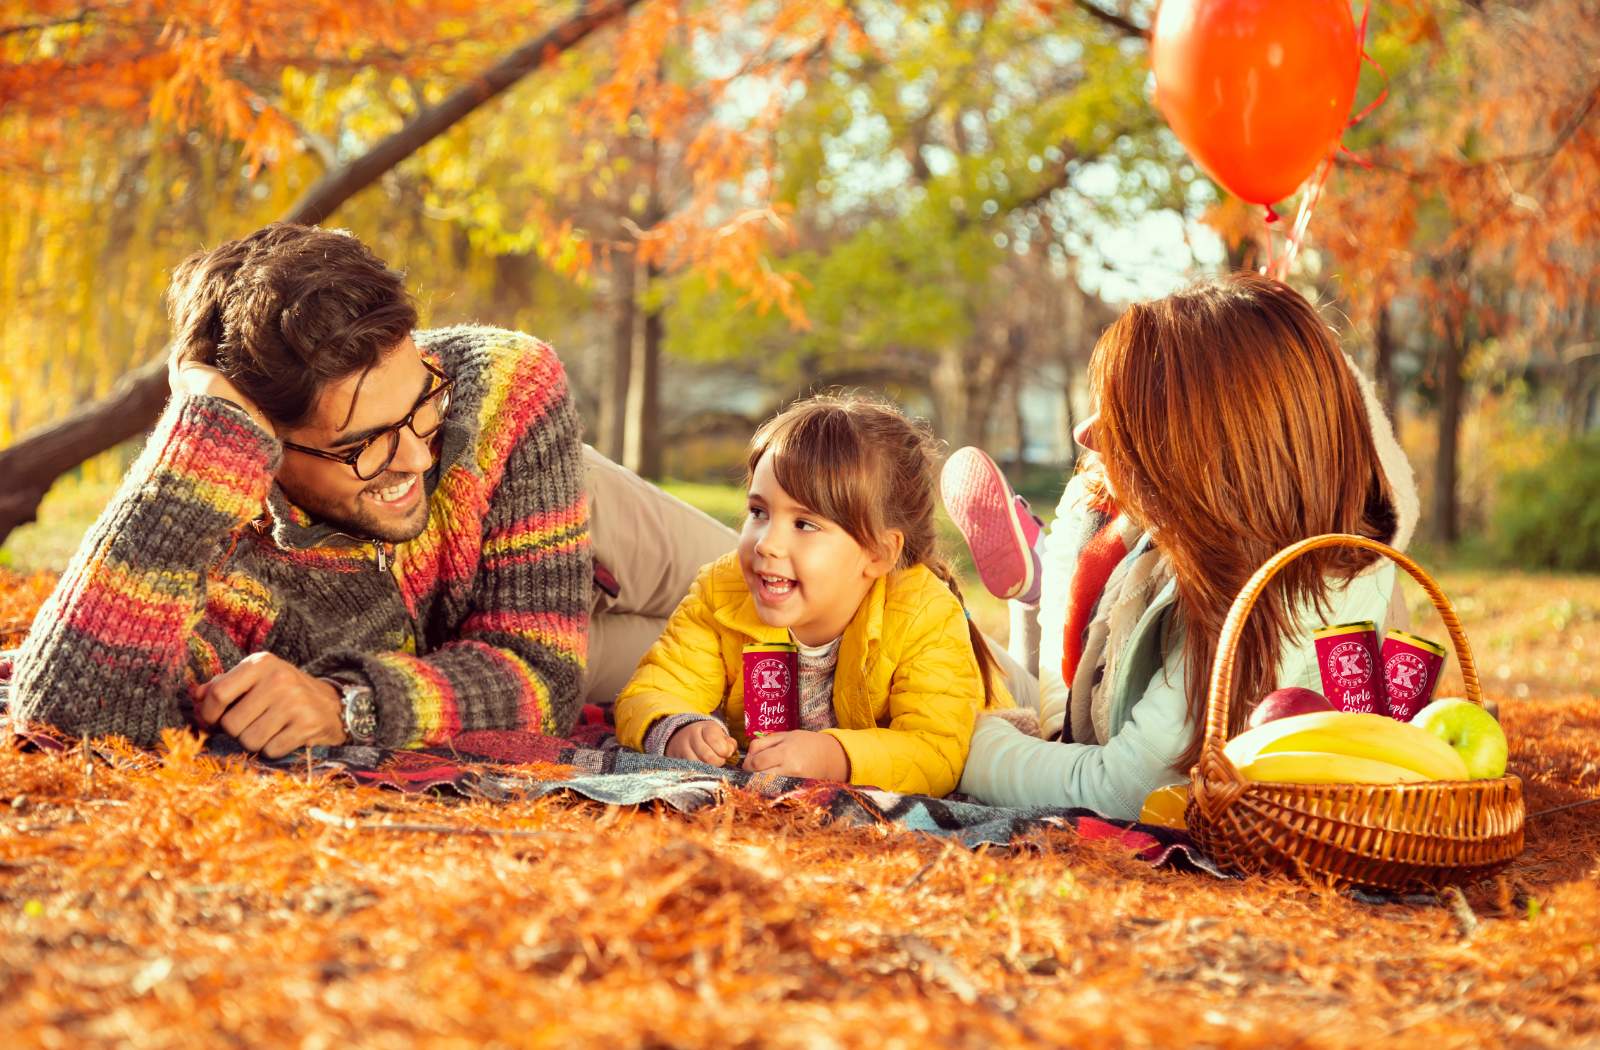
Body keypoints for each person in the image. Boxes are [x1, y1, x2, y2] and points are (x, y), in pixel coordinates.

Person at [6, 222, 737, 755]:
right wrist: (203, 430)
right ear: (261, 440)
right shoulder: (228, 559)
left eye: (421, 405)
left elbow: (538, 671)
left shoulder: (498, 392)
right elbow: (66, 717)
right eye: (362, 446)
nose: (417, 458)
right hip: (485, 641)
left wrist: (346, 705)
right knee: (755, 669)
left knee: (790, 600)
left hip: (549, 525)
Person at [943, 272, 1419, 819]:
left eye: (1130, 414)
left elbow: (1121, 789)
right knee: (943, 647)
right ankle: (1029, 589)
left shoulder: (1279, 594)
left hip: (1102, 753)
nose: (1085, 433)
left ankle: (1024, 596)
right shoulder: (1209, 541)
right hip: (1090, 714)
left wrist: (956, 742)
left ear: (1214, 444)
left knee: (962, 696)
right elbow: (1079, 709)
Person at [613, 395, 1015, 797]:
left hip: (991, 697)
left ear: (878, 553)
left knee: (1040, 724)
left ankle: (1028, 600)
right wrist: (676, 728)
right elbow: (651, 690)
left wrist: (833, 757)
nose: (767, 544)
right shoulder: (723, 589)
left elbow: (935, 752)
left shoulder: (925, 615)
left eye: (804, 523)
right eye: (759, 512)